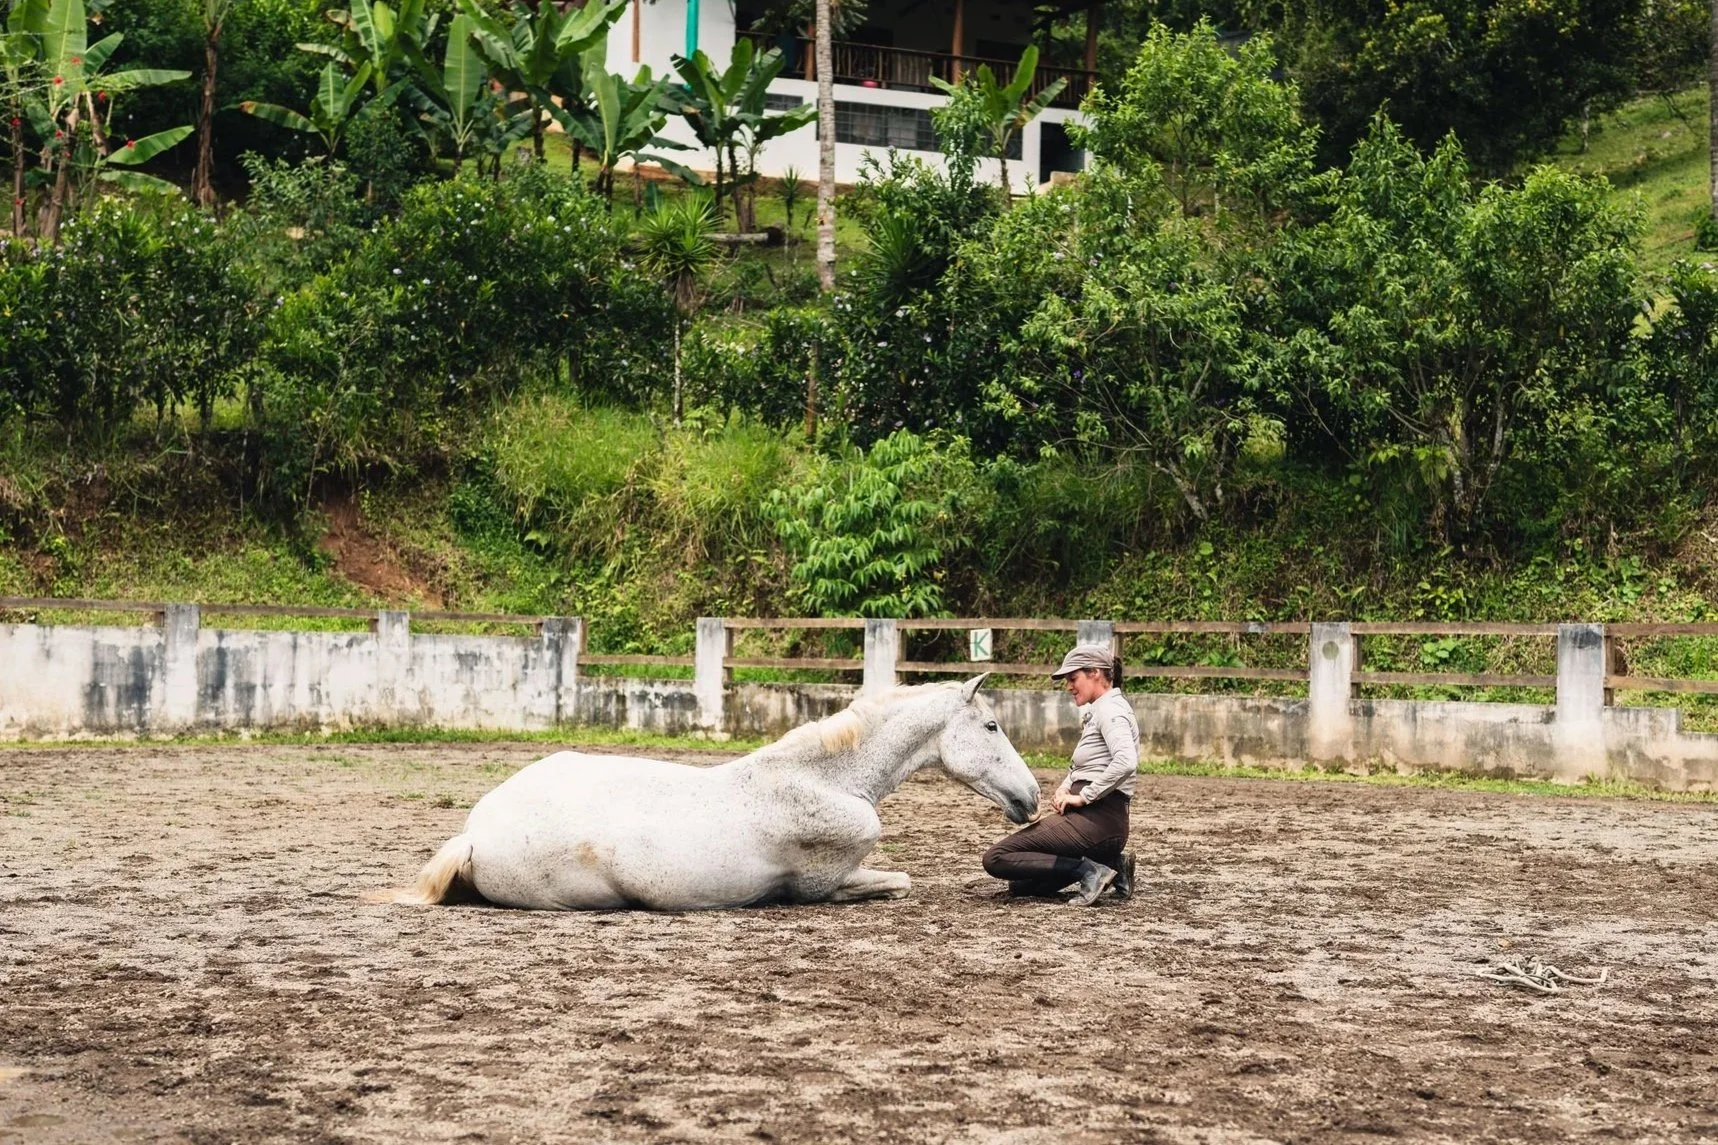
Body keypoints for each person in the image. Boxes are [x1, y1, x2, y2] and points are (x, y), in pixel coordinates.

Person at [981, 644, 1137, 906]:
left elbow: (1126, 761)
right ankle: (1111, 864)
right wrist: (1066, 788)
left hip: (1096, 820)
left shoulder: (1111, 710)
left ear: (1095, 673)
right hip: (1097, 824)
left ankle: (1090, 871)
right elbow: (1084, 767)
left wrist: (1083, 796)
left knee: (996, 858)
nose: (1068, 686)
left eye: (1073, 678)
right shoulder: (1100, 709)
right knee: (1022, 884)